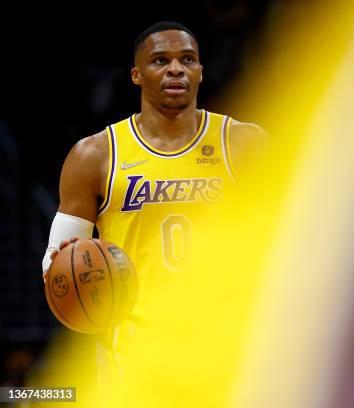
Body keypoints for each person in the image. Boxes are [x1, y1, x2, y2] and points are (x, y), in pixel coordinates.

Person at [41, 20, 265, 386]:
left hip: (229, 346)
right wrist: (66, 267)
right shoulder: (95, 155)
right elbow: (53, 266)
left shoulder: (243, 144)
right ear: (136, 74)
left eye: (187, 59)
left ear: (201, 72)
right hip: (133, 357)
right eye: (160, 60)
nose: (176, 68)